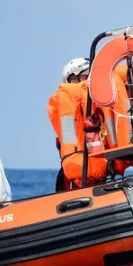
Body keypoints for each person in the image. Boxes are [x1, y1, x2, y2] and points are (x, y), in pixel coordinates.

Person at [47, 58, 108, 191]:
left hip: (100, 169)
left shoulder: (98, 101)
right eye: (85, 77)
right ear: (72, 80)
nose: (88, 82)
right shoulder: (63, 106)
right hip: (75, 174)